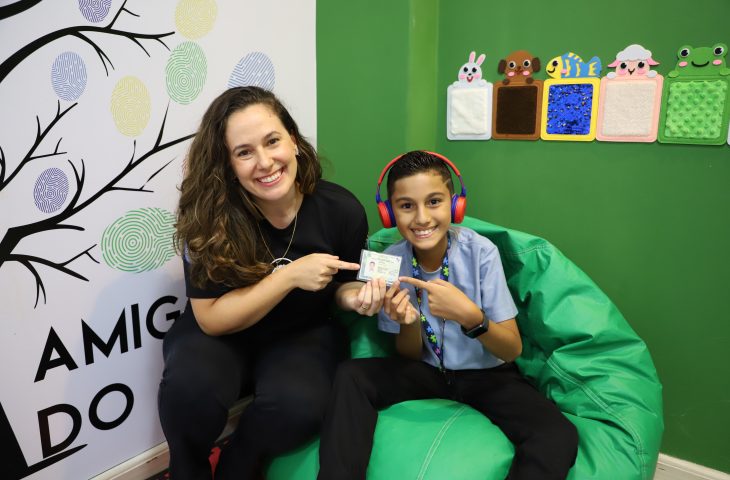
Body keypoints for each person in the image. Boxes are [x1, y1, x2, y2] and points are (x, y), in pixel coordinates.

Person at [158, 86, 386, 480]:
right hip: (222, 330)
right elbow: (211, 318)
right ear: (228, 164)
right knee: (188, 389)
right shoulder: (208, 215)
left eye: (272, 141)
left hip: (302, 332)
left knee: (301, 406)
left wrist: (357, 298)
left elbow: (343, 288)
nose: (265, 162)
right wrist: (289, 276)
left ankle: (237, 460)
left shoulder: (341, 209)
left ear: (293, 141)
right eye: (244, 152)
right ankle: (188, 469)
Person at [317, 150, 579, 480]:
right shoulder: (391, 261)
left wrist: (471, 317)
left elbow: (512, 349)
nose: (422, 218)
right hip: (427, 371)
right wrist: (409, 322)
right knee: (351, 375)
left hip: (487, 376)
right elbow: (408, 356)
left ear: (455, 205)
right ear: (389, 213)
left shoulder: (481, 253)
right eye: (406, 206)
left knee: (558, 435)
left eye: (434, 202)